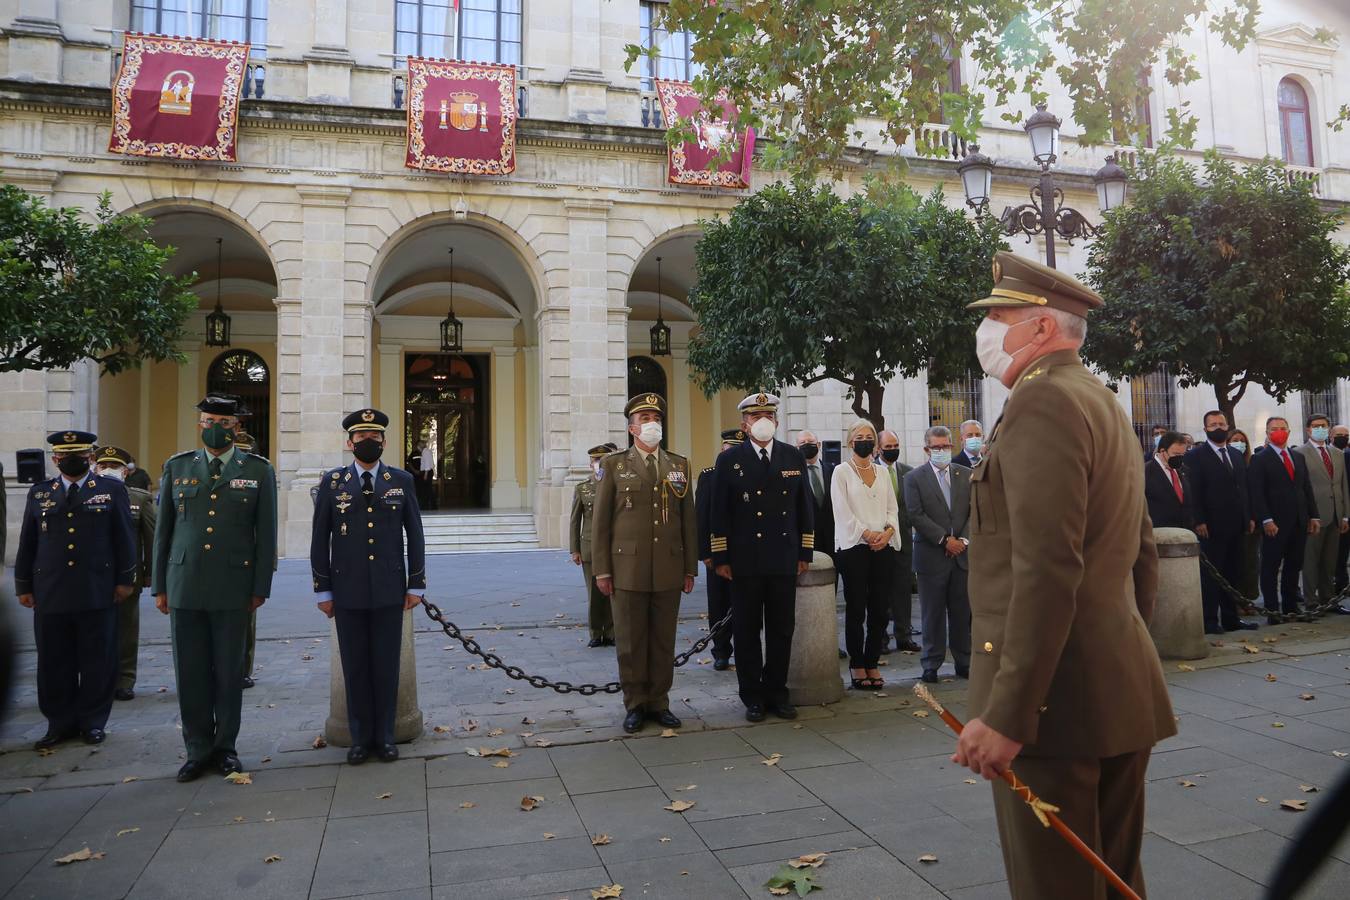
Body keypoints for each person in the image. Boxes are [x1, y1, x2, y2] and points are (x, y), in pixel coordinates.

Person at [953, 251, 1174, 899]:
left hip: (1055, 710)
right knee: (1113, 881)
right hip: (1112, 691)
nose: (987, 332)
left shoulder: (1042, 401)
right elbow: (1142, 555)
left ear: (1042, 329)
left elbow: (1047, 569)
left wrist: (1009, 713)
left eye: (999, 317)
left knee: (1059, 889)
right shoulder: (1101, 400)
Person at [153, 395, 277, 782]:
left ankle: (225, 747)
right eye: (208, 420)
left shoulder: (257, 470)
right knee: (189, 672)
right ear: (200, 424)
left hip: (232, 584)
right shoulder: (178, 467)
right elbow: (164, 533)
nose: (215, 427)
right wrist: (160, 585)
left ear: (236, 426)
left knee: (228, 671)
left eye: (223, 421)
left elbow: (266, 534)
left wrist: (260, 587)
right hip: (184, 583)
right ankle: (196, 749)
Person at [311, 408, 426, 764]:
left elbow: (416, 534)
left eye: (374, 438)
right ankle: (360, 739)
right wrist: (323, 590)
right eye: (361, 438)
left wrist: (416, 584)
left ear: (384, 442)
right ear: (350, 443)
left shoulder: (401, 480)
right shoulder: (332, 483)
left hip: (391, 589)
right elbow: (319, 540)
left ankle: (386, 736)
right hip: (347, 592)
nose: (368, 443)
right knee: (356, 666)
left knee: (386, 665)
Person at [14, 431, 136, 749]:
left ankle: (93, 722)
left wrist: (125, 580)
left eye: (80, 455)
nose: (72, 460)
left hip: (96, 589)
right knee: (54, 661)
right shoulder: (40, 493)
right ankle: (59, 722)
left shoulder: (111, 490)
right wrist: (23, 585)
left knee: (97, 659)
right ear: (55, 459)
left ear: (90, 458)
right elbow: (28, 542)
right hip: (50, 590)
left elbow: (124, 538)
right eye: (64, 455)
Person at [592, 393, 696, 734]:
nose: (652, 423)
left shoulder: (678, 465)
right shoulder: (614, 465)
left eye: (656, 417)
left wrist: (689, 567)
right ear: (632, 427)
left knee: (663, 639)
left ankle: (660, 701)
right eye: (645, 418)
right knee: (631, 640)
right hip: (627, 569)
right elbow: (601, 522)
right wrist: (602, 570)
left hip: (668, 565)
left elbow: (687, 520)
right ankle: (635, 703)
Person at [711, 392, 814, 722]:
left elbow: (804, 508)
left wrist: (805, 552)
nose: (763, 422)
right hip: (745, 561)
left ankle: (777, 691)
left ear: (777, 421)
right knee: (746, 630)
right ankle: (752, 695)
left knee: (782, 629)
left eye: (768, 415)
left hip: (783, 558)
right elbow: (719, 513)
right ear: (745, 424)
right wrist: (720, 557)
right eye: (756, 417)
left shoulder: (791, 457)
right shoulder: (730, 461)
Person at [831, 420, 899, 690]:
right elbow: (842, 510)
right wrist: (866, 534)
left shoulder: (882, 473)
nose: (865, 440)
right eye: (860, 436)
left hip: (883, 547)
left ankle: (872, 662)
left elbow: (892, 507)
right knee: (857, 607)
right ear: (850, 442)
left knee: (880, 609)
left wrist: (888, 532)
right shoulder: (841, 472)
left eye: (869, 436)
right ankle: (857, 664)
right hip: (854, 548)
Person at [905, 425, 973, 685]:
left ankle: (963, 661)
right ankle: (931, 663)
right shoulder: (914, 478)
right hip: (931, 555)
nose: (942, 451)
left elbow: (972, 512)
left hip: (962, 555)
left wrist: (962, 540)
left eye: (946, 446)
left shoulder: (966, 475)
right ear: (927, 450)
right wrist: (945, 540)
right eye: (937, 447)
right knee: (932, 614)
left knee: (961, 612)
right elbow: (915, 514)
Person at [1184, 410, 1258, 634]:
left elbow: (1243, 490)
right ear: (1205, 428)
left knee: (1233, 573)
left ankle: (1231, 618)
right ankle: (1209, 620)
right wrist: (1199, 520)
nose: (1218, 427)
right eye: (1213, 424)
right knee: (1211, 576)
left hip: (1237, 525)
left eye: (1221, 423)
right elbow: (1194, 491)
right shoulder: (1195, 456)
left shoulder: (1235, 455)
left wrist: (1249, 517)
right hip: (1211, 526)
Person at [93, 446, 157, 702]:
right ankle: (97, 679)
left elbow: (152, 539)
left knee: (126, 630)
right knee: (94, 630)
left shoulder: (139, 499)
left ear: (126, 472)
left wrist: (152, 574)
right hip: (92, 576)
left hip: (128, 575)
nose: (109, 470)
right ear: (95, 468)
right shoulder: (85, 495)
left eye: (115, 467)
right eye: (103, 465)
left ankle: (124, 679)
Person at [1249, 416, 1321, 624]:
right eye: (1274, 429)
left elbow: (1306, 488)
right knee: (1270, 567)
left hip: (1299, 521)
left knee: (1293, 565)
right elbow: (1257, 493)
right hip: (1274, 524)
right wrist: (1266, 519)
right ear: (1267, 433)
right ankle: (1272, 610)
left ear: (1289, 431)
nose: (1279, 432)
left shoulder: (1297, 457)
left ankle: (1291, 607)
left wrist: (1313, 515)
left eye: (1282, 428)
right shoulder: (1260, 459)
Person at [697, 429, 744, 669]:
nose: (730, 455)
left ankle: (745, 649)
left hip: (746, 552)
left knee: (746, 604)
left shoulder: (750, 474)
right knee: (718, 603)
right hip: (718, 551)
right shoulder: (709, 476)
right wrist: (705, 552)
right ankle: (721, 650)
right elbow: (702, 516)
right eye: (727, 450)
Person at [1298, 414, 1349, 611]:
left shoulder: (1337, 454)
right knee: (1311, 561)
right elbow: (1302, 488)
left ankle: (1329, 600)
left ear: (1329, 429)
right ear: (1308, 430)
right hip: (1315, 517)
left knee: (1330, 561)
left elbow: (1342, 485)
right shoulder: (1300, 453)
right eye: (1316, 426)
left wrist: (1345, 514)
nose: (1320, 429)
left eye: (1324, 426)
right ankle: (1311, 601)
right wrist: (1309, 515)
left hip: (1336, 515)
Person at [571, 442, 619, 648]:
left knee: (613, 592)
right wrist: (574, 549)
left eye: (602, 460)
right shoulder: (583, 487)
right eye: (595, 460)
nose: (598, 463)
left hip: (614, 547)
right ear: (590, 464)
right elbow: (575, 520)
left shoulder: (618, 486)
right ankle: (595, 632)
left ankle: (611, 632)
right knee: (594, 593)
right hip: (590, 547)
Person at [877, 429, 918, 652]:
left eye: (895, 446)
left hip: (903, 541)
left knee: (903, 591)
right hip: (879, 541)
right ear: (878, 448)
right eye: (888, 447)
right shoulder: (870, 471)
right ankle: (881, 637)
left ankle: (904, 635)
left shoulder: (908, 473)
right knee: (880, 592)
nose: (892, 450)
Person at [233, 429, 264, 689]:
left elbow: (265, 530)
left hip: (244, 564)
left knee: (245, 623)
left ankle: (243, 668)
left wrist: (264, 572)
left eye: (246, 452)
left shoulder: (258, 478)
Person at [1227, 429, 1261, 602]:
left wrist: (1254, 517)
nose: (1239, 443)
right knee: (1237, 564)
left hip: (1252, 522)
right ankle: (1237, 600)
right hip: (1234, 521)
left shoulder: (1252, 463)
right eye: (1235, 440)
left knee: (1251, 563)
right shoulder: (1227, 464)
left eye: (1242, 440)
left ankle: (1249, 598)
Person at [797, 430, 835, 570]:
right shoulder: (794, 475)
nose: (807, 445)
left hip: (832, 538)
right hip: (807, 540)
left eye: (811, 443)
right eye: (803, 443)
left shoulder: (833, 470)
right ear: (797, 448)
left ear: (818, 445)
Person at [1144, 431, 1195, 531]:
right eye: (1176, 454)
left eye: (1182, 454)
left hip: (1185, 533)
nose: (1180, 458)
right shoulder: (1145, 472)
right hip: (1159, 534)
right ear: (1162, 451)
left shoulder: (1184, 470)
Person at [1334, 424, 1350, 603]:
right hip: (1341, 512)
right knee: (1340, 553)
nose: (1343, 437)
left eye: (1346, 435)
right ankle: (1340, 584)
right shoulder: (1338, 456)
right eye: (1339, 434)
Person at [418, 440, 437, 510]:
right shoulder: (426, 451)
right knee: (427, 489)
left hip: (427, 472)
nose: (418, 447)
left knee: (427, 489)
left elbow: (427, 464)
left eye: (420, 445)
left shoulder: (425, 452)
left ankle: (428, 505)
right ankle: (430, 505)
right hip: (428, 472)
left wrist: (425, 474)